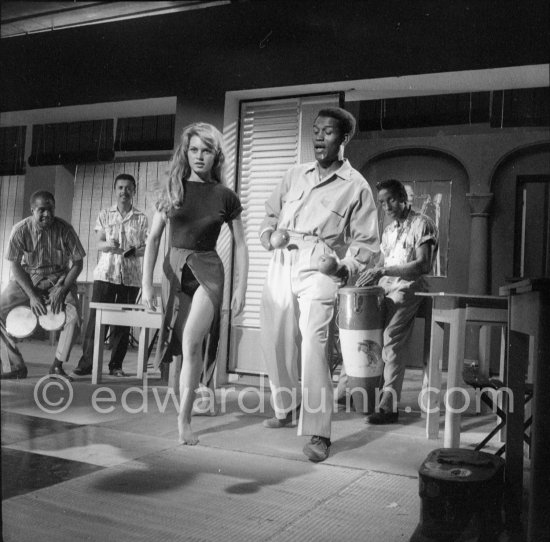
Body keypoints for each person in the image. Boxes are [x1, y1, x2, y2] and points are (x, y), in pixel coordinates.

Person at [259, 107, 380, 462]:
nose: (318, 137)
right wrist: (269, 237)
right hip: (282, 257)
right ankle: (286, 405)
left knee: (314, 343)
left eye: (327, 132)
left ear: (343, 139)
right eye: (315, 131)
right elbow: (269, 214)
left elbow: (367, 245)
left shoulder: (355, 185)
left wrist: (342, 266)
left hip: (322, 264)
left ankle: (319, 432)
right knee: (273, 337)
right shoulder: (295, 174)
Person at [142, 122, 248, 446]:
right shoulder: (171, 190)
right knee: (181, 349)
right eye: (194, 150)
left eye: (207, 151)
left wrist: (240, 288)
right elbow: (153, 239)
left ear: (216, 156)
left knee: (190, 341)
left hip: (208, 271)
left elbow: (241, 245)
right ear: (185, 153)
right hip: (174, 271)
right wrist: (146, 285)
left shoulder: (225, 196)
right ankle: (191, 401)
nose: (200, 156)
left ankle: (184, 420)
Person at [356, 179, 438, 424]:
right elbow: (382, 264)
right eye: (382, 203)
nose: (387, 206)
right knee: (366, 334)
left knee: (391, 342)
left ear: (403, 197)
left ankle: (388, 408)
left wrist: (383, 272)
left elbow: (422, 265)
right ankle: (358, 393)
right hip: (386, 288)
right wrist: (370, 273)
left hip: (408, 288)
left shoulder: (423, 223)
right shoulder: (389, 230)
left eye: (390, 199)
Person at [0, 190, 85, 380]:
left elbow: (78, 263)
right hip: (28, 279)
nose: (47, 214)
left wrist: (62, 290)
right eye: (41, 210)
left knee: (73, 317)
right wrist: (31, 295)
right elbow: (14, 264)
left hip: (58, 280)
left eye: (50, 209)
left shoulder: (65, 229)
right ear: (32, 210)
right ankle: (15, 366)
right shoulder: (20, 229)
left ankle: (57, 366)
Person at [72, 174, 148, 377]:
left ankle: (116, 365)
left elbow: (145, 248)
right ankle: (86, 363)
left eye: (128, 188)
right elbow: (99, 243)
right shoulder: (105, 214)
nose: (124, 191)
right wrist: (109, 245)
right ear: (115, 190)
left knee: (123, 322)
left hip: (130, 277)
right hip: (106, 275)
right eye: (120, 187)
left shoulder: (141, 218)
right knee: (96, 320)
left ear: (134, 190)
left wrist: (133, 251)